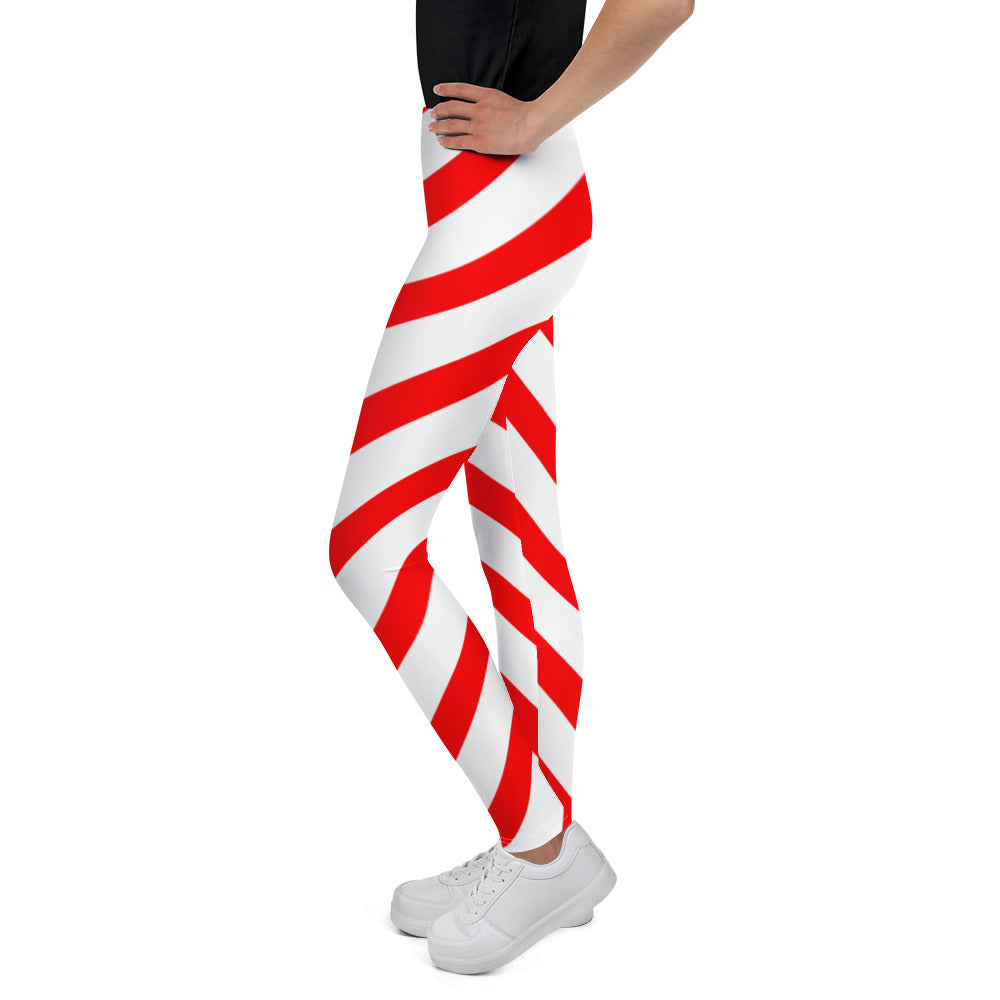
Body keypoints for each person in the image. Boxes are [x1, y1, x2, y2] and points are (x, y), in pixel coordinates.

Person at [329, 0, 695, 974]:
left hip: (508, 208)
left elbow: (663, 1)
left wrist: (533, 118)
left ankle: (543, 846)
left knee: (368, 547)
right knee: (517, 530)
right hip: (483, 196)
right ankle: (535, 845)